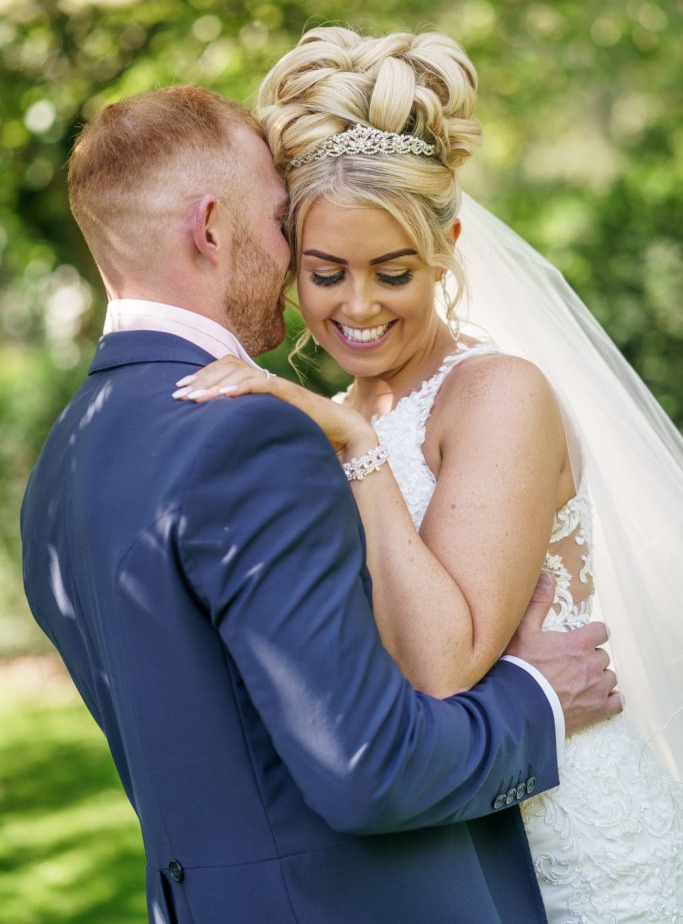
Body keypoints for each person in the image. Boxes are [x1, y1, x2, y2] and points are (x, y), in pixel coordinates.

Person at [20, 84, 620, 924]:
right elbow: (368, 765)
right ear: (210, 230)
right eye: (285, 229)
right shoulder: (245, 436)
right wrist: (538, 697)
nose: (299, 265)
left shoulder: (65, 461)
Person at [178, 28, 683, 922]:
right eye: (326, 273)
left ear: (446, 245)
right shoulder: (337, 412)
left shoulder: (496, 393)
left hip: (575, 842)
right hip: (444, 839)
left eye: (392, 272)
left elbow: (442, 665)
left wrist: (357, 451)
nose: (358, 305)